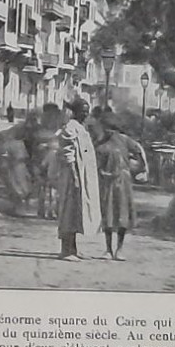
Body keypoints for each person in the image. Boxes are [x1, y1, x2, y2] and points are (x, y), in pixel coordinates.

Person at [54, 97, 101, 260]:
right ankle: (65, 250)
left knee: (76, 212)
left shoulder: (81, 128)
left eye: (87, 112)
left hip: (82, 176)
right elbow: (68, 155)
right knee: (69, 211)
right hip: (72, 175)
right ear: (75, 112)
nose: (85, 114)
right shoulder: (70, 128)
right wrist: (74, 177)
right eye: (83, 111)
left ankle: (73, 249)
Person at [94, 121, 137, 260]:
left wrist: (139, 168)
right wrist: (101, 172)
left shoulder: (125, 140)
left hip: (123, 181)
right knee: (108, 213)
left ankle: (120, 248)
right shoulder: (100, 144)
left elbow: (138, 151)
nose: (108, 131)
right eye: (105, 128)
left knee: (122, 212)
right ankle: (108, 249)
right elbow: (96, 162)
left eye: (110, 128)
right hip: (107, 182)